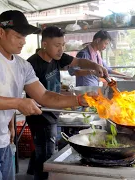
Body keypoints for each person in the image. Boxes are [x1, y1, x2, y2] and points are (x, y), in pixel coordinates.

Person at [0, 10, 104, 180]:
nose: (23, 41)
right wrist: (18, 103)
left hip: (2, 137)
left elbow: (45, 96)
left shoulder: (22, 65)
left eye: (24, 37)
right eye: (19, 36)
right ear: (1, 32)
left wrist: (78, 100)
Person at [26, 26, 107, 180]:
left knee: (43, 151)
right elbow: (42, 95)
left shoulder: (58, 57)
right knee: (46, 155)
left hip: (53, 111)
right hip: (40, 115)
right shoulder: (32, 64)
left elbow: (78, 61)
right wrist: (76, 99)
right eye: (57, 45)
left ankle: (36, 172)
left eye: (63, 45)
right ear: (44, 44)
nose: (61, 49)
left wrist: (96, 66)